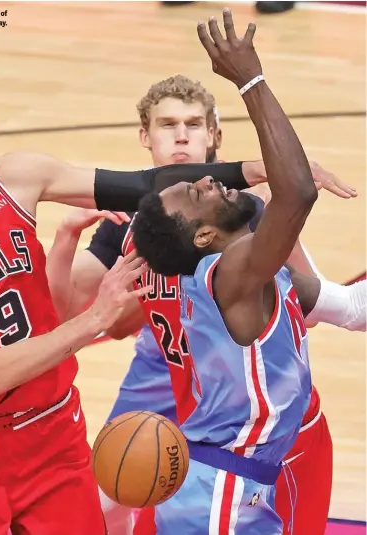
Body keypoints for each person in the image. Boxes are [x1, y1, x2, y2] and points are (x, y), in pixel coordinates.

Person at [0, 85, 284, 533]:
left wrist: (250, 170)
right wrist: (95, 319)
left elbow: (141, 185)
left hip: (51, 426)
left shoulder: (14, 176)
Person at [46, 82, 343, 535]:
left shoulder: (244, 213)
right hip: (161, 380)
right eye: (168, 125)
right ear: (144, 135)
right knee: (104, 498)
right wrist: (67, 239)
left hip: (238, 401)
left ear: (214, 135)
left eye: (192, 125)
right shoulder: (129, 219)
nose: (181, 137)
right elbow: (83, 313)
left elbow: (299, 299)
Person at [129, 9, 365, 534]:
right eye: (197, 193)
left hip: (242, 486)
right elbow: (298, 191)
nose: (210, 182)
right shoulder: (227, 274)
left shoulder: (260, 276)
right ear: (203, 237)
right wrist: (250, 80)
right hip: (218, 495)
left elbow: (352, 309)